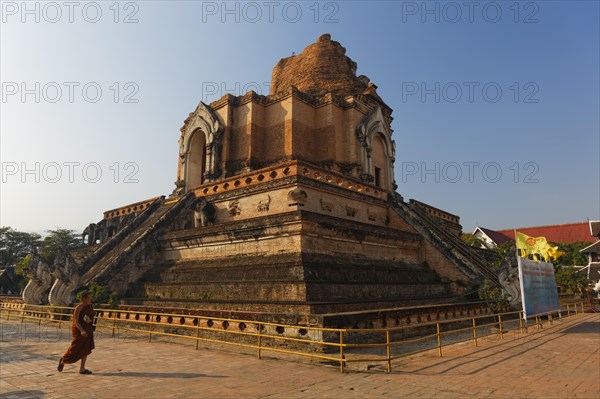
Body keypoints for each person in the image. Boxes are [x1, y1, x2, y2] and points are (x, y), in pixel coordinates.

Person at [58, 292, 95, 374]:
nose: (90, 299)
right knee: (75, 347)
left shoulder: (90, 307)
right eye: (89, 298)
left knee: (86, 349)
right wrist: (82, 330)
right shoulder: (78, 308)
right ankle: (63, 361)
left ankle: (82, 369)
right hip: (79, 330)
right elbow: (75, 321)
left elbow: (92, 319)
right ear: (84, 299)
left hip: (88, 329)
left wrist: (89, 320)